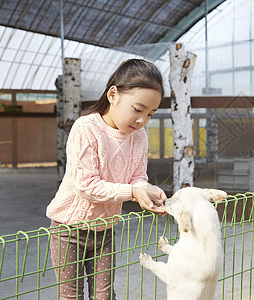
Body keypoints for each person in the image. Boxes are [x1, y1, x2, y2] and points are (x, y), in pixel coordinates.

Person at [46, 58, 167, 300]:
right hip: (69, 229)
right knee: (71, 296)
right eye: (138, 110)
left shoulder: (139, 136)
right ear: (113, 95)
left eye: (150, 114)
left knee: (104, 295)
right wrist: (133, 192)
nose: (142, 120)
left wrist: (146, 189)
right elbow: (85, 186)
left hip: (105, 228)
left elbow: (137, 177)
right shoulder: (86, 128)